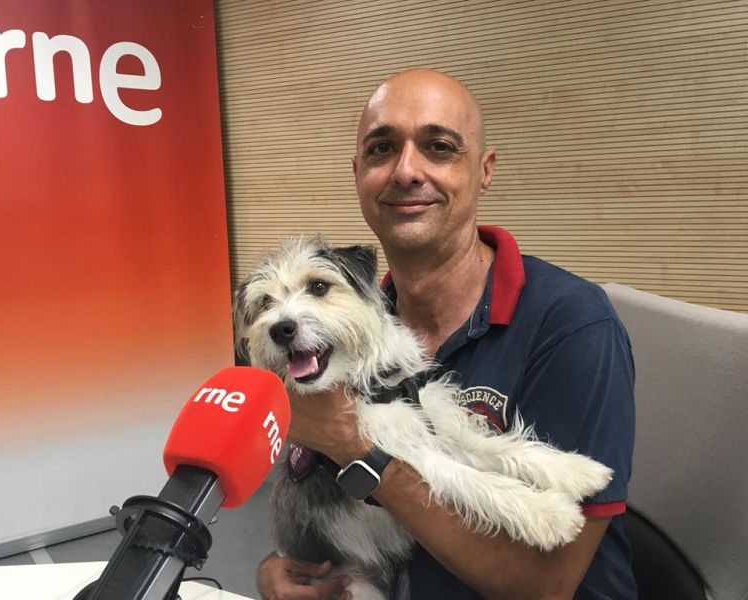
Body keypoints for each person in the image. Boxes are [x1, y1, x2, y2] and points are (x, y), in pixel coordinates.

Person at [257, 68, 636, 600]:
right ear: (357, 173)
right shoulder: (347, 330)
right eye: (382, 148)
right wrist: (281, 568)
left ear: (485, 170)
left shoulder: (570, 323)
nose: (406, 171)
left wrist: (353, 446)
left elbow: (544, 586)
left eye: (439, 147)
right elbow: (318, 496)